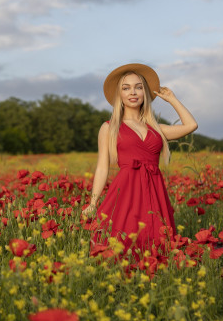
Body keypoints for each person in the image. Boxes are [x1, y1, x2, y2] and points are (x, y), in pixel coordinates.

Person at [82, 63, 197, 258]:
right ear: (120, 95)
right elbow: (102, 167)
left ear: (145, 92)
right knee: (122, 245)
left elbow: (191, 125)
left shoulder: (157, 128)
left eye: (138, 87)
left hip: (154, 191)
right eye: (126, 88)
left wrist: (172, 99)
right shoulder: (109, 127)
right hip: (126, 190)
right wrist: (93, 203)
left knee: (157, 244)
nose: (132, 92)